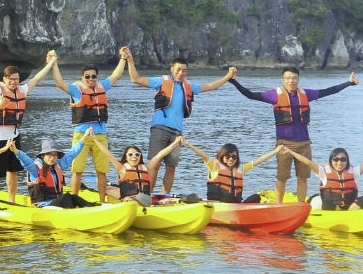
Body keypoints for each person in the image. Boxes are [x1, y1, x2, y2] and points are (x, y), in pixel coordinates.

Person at [229, 67, 360, 203]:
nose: (291, 81)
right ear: (283, 80)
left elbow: (327, 91)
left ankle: (301, 205)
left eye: (294, 78)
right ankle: (279, 206)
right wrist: (233, 81)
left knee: (303, 177)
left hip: (304, 143)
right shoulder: (274, 95)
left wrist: (348, 83)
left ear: (298, 79)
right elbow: (250, 95)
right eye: (288, 78)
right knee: (282, 177)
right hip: (284, 144)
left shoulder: (306, 94)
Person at [121, 47, 237, 194]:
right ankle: (147, 196)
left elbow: (210, 86)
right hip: (160, 128)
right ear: (172, 69)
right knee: (154, 164)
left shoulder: (188, 86)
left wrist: (227, 77)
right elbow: (135, 79)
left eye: (184, 71)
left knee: (171, 167)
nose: (181, 73)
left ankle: (165, 196)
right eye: (178, 70)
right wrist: (129, 60)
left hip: (177, 132)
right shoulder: (161, 81)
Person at [48, 53, 127, 202]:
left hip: (100, 136)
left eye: (93, 76)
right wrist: (54, 64)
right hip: (81, 136)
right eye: (87, 77)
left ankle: (102, 201)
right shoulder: (76, 90)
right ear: (83, 77)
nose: (91, 79)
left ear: (97, 77)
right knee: (78, 170)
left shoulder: (102, 86)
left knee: (101, 171)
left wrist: (123, 58)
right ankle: (74, 200)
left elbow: (116, 75)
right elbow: (60, 83)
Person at [0, 49, 57, 202]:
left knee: (13, 170)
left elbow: (36, 78)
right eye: (10, 79)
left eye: (16, 79)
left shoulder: (22, 90)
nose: (14, 82)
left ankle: (12, 200)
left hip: (15, 137)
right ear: (4, 79)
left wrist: (50, 63)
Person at [282, 139, 363, 210]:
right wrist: (291, 151)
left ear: (347, 160)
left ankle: (349, 214)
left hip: (348, 207)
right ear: (331, 160)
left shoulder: (352, 171)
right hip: (329, 207)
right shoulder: (323, 171)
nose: (339, 162)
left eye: (343, 160)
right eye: (336, 159)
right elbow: (307, 162)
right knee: (327, 203)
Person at [90, 135, 189, 206]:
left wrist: (175, 143)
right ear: (126, 157)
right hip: (129, 202)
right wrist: (95, 140)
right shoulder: (122, 169)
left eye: (137, 155)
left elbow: (160, 155)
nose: (134, 157)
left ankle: (177, 204)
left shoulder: (146, 168)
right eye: (130, 155)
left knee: (165, 201)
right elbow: (108, 155)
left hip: (145, 200)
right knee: (133, 200)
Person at [177, 137, 282, 203]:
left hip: (236, 204)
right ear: (222, 156)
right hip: (218, 204)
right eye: (227, 156)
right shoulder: (214, 166)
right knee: (229, 196)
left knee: (256, 197)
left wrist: (276, 151)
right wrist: (188, 144)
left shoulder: (241, 169)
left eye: (234, 157)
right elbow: (203, 155)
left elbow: (260, 160)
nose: (231, 159)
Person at [12, 131, 97, 208]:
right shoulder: (35, 168)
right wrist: (16, 151)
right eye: (49, 155)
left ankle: (89, 209)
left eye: (55, 155)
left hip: (57, 203)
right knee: (66, 196)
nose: (52, 158)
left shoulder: (58, 166)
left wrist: (85, 136)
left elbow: (72, 153)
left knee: (74, 196)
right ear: (42, 156)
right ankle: (70, 215)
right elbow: (26, 161)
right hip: (44, 206)